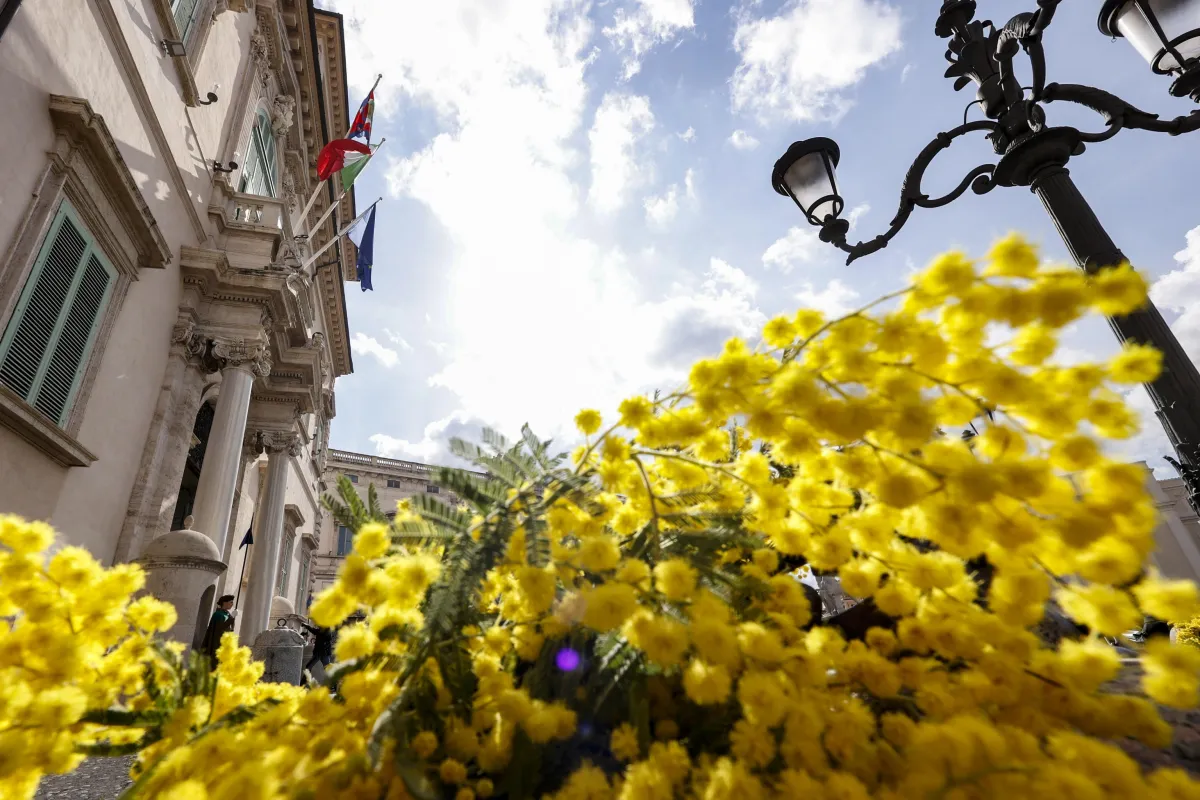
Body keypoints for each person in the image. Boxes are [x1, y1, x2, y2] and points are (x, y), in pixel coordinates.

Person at [200, 595, 236, 666]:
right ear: (225, 603)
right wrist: (232, 617)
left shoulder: (227, 614)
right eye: (231, 602)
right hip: (217, 643)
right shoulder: (218, 614)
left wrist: (232, 618)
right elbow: (220, 628)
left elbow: (230, 628)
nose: (232, 604)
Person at [300, 620, 333, 684]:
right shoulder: (322, 631)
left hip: (324, 653)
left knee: (327, 669)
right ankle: (304, 682)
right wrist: (306, 626)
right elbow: (315, 631)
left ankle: (332, 683)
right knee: (308, 667)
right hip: (318, 653)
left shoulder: (327, 631)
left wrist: (306, 626)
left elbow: (316, 631)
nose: (318, 626)